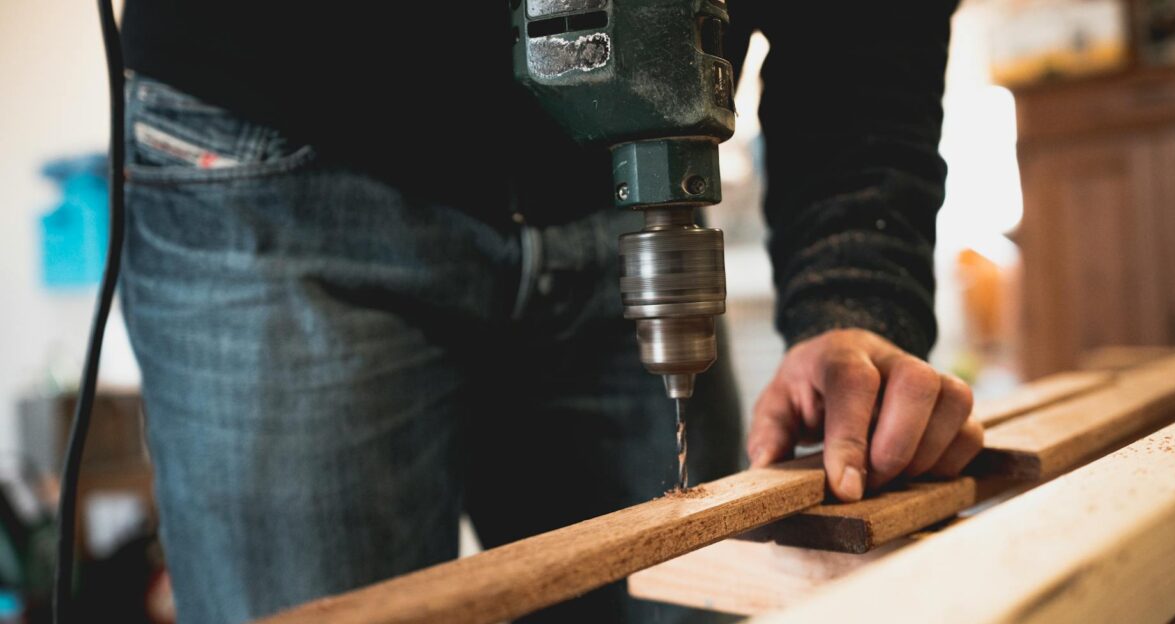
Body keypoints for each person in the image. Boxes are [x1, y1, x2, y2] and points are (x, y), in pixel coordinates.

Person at [116, 2, 979, 622]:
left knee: (691, 592)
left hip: (607, 183)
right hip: (273, 147)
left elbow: (871, 23)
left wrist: (852, 290)